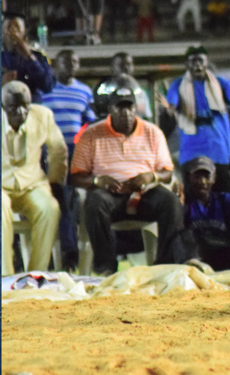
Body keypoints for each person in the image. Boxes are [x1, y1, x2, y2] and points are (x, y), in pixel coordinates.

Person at [70, 83, 184, 275]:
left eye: (129, 107)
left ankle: (165, 264)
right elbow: (76, 177)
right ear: (110, 110)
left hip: (145, 193)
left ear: (136, 108)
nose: (126, 113)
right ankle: (106, 267)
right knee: (95, 201)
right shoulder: (91, 134)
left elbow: (167, 173)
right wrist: (98, 181)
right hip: (109, 194)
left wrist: (151, 176)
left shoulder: (152, 132)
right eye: (120, 107)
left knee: (171, 202)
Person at [2, 81, 67, 275]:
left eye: (25, 106)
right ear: (3, 106)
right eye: (14, 108)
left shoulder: (43, 115)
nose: (21, 112)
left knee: (50, 208)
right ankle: (4, 276)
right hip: (2, 186)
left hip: (32, 182)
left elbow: (58, 150)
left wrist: (55, 181)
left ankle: (36, 274)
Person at [39, 49, 96, 269]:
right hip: (50, 150)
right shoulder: (45, 88)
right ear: (55, 65)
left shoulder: (84, 91)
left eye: (75, 61)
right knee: (64, 197)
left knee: (70, 198)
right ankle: (69, 250)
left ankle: (69, 250)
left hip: (75, 149)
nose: (71, 64)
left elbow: (88, 122)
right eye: (66, 61)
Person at [165, 46, 230, 189]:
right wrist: (170, 108)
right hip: (192, 149)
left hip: (218, 147)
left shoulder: (220, 83)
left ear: (206, 62)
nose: (197, 65)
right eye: (193, 61)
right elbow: (172, 102)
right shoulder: (178, 84)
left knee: (223, 189)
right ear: (187, 64)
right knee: (194, 192)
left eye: (200, 60)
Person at [1, 12, 55, 100]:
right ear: (2, 32)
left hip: (31, 106)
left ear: (24, 31)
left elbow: (48, 85)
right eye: (8, 27)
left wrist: (29, 56)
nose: (13, 32)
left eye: (17, 28)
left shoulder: (38, 56)